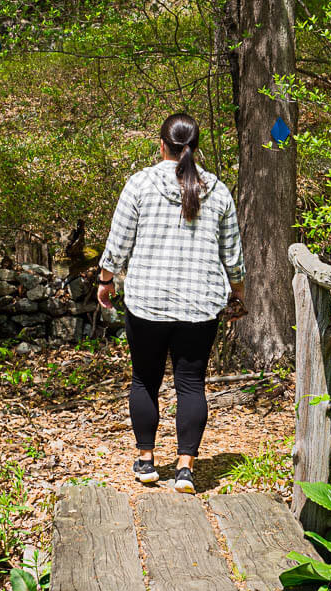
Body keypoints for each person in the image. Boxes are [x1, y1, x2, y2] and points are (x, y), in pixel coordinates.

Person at [96, 113, 246, 494]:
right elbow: (233, 255)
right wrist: (237, 291)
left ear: (161, 144)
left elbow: (118, 243)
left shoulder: (140, 184)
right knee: (192, 384)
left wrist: (106, 281)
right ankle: (184, 469)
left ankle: (146, 461)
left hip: (147, 300)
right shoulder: (219, 190)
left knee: (145, 379)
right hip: (200, 303)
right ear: (195, 147)